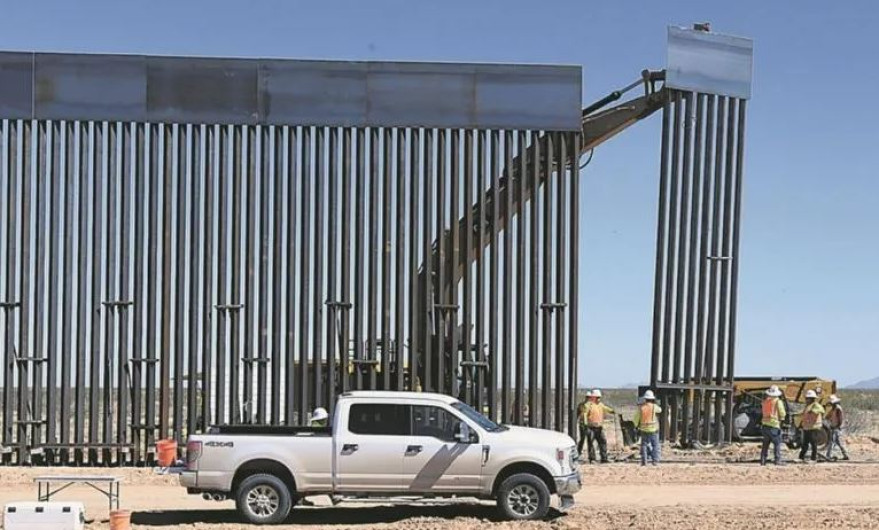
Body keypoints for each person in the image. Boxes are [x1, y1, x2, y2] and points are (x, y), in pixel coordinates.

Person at [583, 389, 615, 464]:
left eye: (599, 397)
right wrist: (585, 424)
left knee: (603, 442)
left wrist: (612, 411)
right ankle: (592, 459)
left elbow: (606, 408)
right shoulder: (588, 405)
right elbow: (585, 415)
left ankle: (604, 458)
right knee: (591, 443)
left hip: (599, 427)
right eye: (597, 397)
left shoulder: (600, 405)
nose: (599, 399)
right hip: (591, 427)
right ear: (593, 397)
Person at [633, 390, 661, 466]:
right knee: (655, 445)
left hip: (644, 429)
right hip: (653, 429)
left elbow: (635, 418)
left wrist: (635, 426)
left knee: (644, 446)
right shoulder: (654, 407)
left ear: (645, 399)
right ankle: (655, 461)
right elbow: (660, 410)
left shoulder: (641, 408)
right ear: (652, 399)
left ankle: (644, 462)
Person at [760, 385, 787, 465]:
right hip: (774, 425)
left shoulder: (765, 401)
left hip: (765, 425)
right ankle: (777, 460)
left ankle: (763, 460)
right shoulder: (777, 401)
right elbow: (782, 413)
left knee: (765, 444)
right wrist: (782, 419)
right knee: (777, 443)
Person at [799, 389, 825, 462]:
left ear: (812, 399)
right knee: (805, 444)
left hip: (814, 427)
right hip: (807, 427)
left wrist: (813, 411)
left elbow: (822, 410)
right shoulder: (808, 406)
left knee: (814, 443)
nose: (806, 400)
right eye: (806, 398)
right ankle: (801, 457)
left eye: (808, 398)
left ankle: (813, 458)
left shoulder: (816, 405)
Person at [825, 394, 849, 461]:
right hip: (834, 427)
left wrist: (837, 426)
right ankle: (845, 455)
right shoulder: (834, 408)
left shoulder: (838, 408)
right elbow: (828, 416)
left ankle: (828, 455)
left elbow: (840, 419)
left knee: (832, 441)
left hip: (837, 427)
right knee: (838, 442)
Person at [576, 390, 593, 460]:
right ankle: (578, 453)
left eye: (589, 397)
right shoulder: (581, 405)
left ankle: (591, 457)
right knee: (582, 440)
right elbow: (577, 414)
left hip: (590, 425)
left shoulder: (592, 405)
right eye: (587, 397)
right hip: (583, 425)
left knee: (590, 440)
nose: (588, 398)